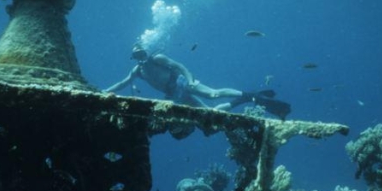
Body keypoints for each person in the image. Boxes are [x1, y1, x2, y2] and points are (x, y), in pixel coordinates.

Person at [105, 45, 291, 120]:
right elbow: (123, 83)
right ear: (134, 57)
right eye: (137, 55)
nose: (141, 56)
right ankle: (242, 101)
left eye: (142, 52)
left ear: (146, 51)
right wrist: (104, 92)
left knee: (213, 94)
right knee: (209, 113)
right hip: (174, 94)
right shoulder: (138, 71)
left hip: (181, 82)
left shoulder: (158, 58)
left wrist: (190, 80)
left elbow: (179, 65)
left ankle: (249, 94)